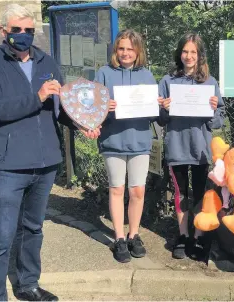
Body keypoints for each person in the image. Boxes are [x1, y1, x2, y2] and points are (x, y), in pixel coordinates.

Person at [0, 4, 99, 301]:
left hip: (45, 162)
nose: (23, 35)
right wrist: (36, 97)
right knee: (1, 237)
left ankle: (28, 284)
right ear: (3, 31)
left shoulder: (47, 62)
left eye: (29, 30)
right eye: (17, 30)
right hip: (8, 164)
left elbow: (61, 107)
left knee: (33, 229)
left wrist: (84, 122)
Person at [157, 33, 225, 260]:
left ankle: (198, 236)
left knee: (200, 194)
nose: (188, 56)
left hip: (200, 149)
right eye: (185, 51)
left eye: (193, 52)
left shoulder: (210, 82)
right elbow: (160, 120)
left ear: (199, 55)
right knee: (180, 193)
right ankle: (183, 235)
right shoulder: (167, 81)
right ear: (179, 53)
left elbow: (217, 121)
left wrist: (214, 109)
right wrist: (164, 109)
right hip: (176, 147)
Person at [93, 29, 158, 263]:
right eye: (121, 48)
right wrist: (103, 107)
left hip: (139, 141)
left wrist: (158, 104)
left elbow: (155, 114)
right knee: (117, 189)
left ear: (138, 51)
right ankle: (119, 238)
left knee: (137, 191)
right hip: (113, 141)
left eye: (130, 49)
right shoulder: (103, 73)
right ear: (115, 50)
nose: (125, 53)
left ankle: (134, 234)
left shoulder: (147, 76)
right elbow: (92, 109)